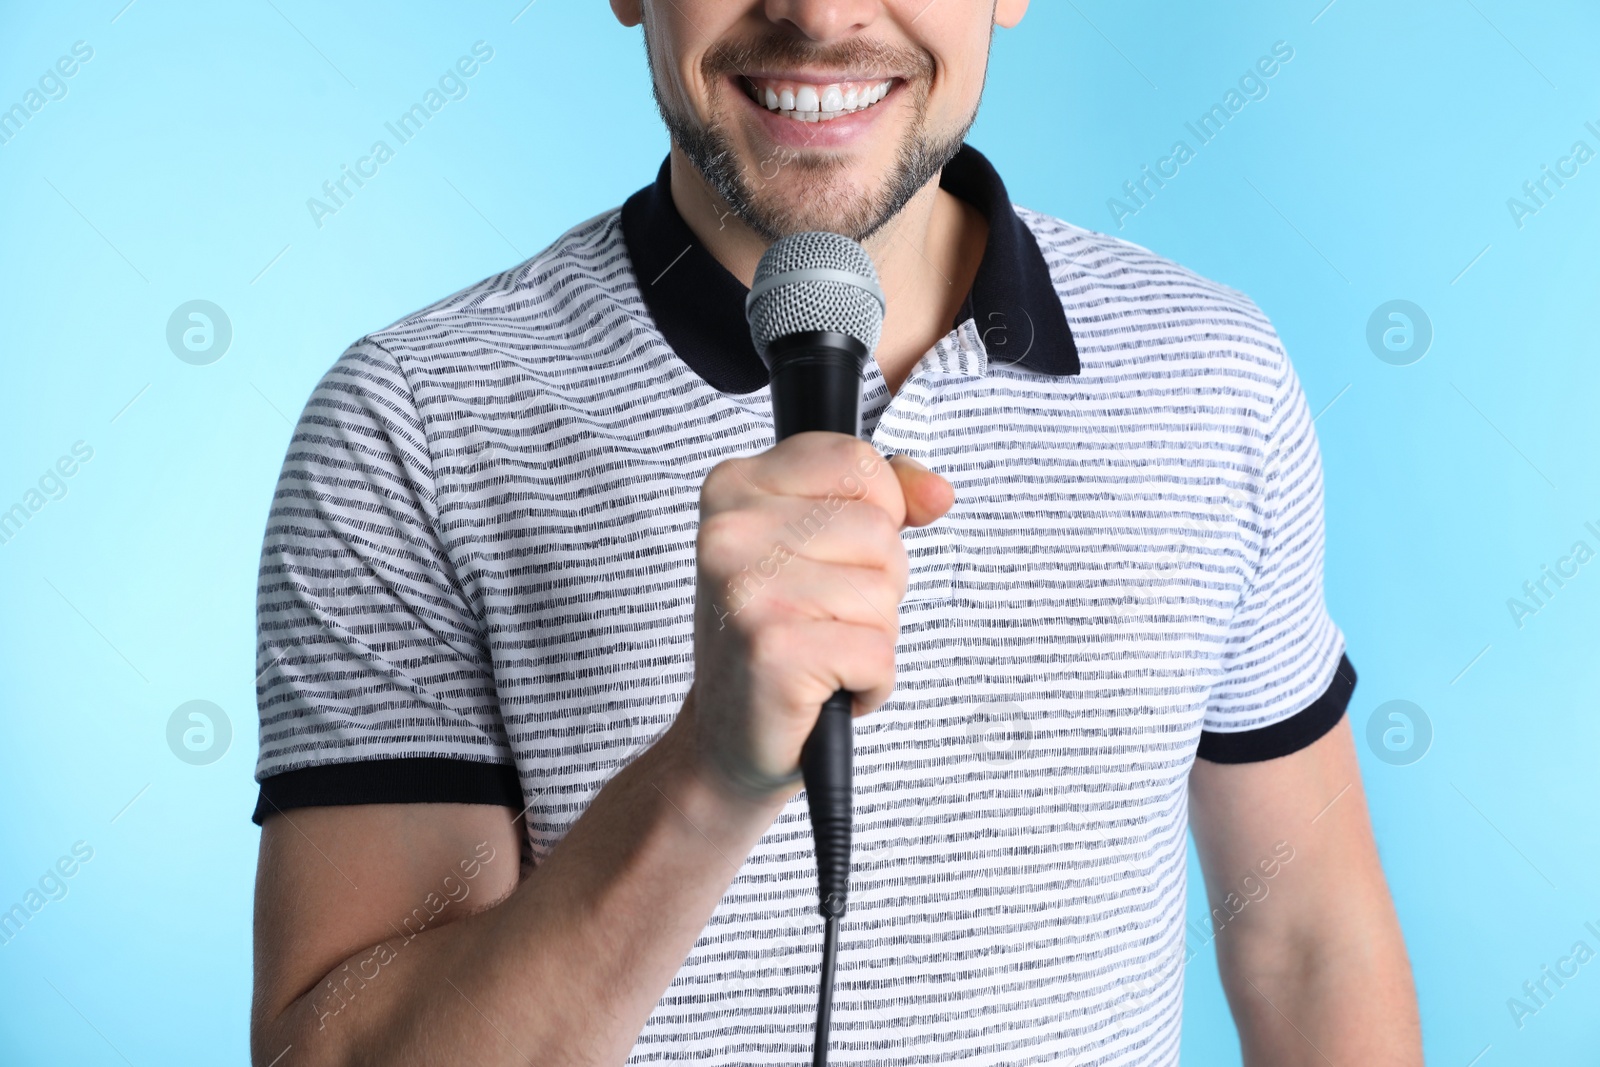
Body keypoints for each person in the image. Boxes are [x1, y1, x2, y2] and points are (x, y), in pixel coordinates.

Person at [249, 2, 1423, 1063]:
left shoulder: (1212, 374)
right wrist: (705, 776)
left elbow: (1306, 945)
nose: (817, 15)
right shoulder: (417, 425)